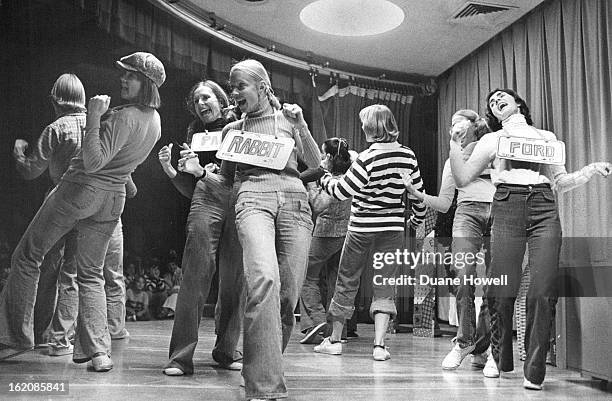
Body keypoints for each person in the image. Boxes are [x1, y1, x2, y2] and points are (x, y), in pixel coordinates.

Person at [0, 52, 165, 373]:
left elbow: (93, 162)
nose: (122, 79)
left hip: (78, 190)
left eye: (130, 75)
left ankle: (13, 338)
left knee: (27, 257)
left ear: (145, 83)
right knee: (90, 275)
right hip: (112, 200)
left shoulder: (121, 117)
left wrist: (94, 116)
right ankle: (99, 353)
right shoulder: (154, 120)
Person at [449, 88, 612, 390]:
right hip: (507, 205)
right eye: (491, 102)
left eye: (501, 96)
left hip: (543, 204)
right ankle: (499, 356)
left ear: (518, 102)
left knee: (544, 286)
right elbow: (462, 179)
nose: (496, 99)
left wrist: (588, 171)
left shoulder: (547, 137)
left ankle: (534, 370)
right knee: (501, 287)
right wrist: (454, 144)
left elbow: (560, 181)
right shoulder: (491, 139)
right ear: (493, 114)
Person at [217, 58, 320, 401]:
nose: (233, 93)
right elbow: (224, 178)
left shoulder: (288, 120)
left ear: (262, 88)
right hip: (252, 196)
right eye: (231, 87)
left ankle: (260, 366)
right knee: (263, 279)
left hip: (294, 198)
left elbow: (317, 164)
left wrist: (301, 124)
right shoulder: (232, 131)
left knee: (288, 297)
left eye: (239, 86)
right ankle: (264, 387)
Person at [313, 104, 426, 362]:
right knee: (385, 284)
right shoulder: (408, 156)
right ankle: (379, 346)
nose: (362, 127)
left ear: (373, 127)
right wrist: (416, 219)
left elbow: (342, 191)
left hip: (362, 228)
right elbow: (417, 194)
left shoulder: (366, 157)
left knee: (346, 280)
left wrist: (324, 179)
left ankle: (335, 340)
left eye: (364, 123)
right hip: (393, 229)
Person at [159, 80, 244, 376]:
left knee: (234, 280)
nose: (200, 104)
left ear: (221, 100)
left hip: (237, 199)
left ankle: (227, 350)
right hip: (205, 199)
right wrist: (174, 171)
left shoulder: (239, 125)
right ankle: (180, 358)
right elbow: (191, 184)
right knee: (194, 276)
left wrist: (205, 172)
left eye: (205, 97)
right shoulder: (193, 133)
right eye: (196, 100)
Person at [402, 109, 494, 370]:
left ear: (474, 125)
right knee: (463, 276)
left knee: (494, 285)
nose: (454, 127)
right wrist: (416, 193)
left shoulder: (493, 150)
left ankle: (483, 347)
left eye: (459, 122)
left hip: (498, 213)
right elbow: (443, 204)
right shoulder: (451, 161)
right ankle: (464, 341)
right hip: (467, 214)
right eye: (451, 124)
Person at [299, 137, 353, 344]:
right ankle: (338, 330)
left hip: (326, 233)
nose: (320, 158)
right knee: (335, 281)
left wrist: (312, 185)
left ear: (329, 157)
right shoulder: (351, 174)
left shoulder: (333, 180)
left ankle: (315, 322)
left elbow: (320, 205)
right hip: (346, 234)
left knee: (307, 277)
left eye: (322, 154)